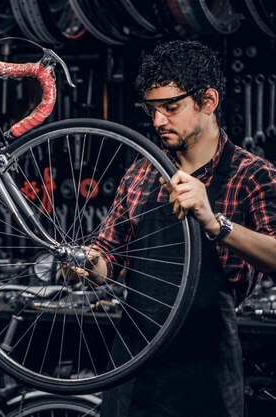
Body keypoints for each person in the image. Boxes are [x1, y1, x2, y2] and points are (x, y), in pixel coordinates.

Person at [82, 40, 276, 416]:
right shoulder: (141, 172)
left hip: (205, 380)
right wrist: (89, 264)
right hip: (132, 373)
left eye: (171, 108)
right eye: (152, 110)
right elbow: (108, 254)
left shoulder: (253, 175)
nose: (157, 122)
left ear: (208, 102)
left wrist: (215, 221)